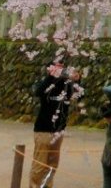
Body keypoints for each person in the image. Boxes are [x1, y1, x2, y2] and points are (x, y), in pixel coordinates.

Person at [31, 60, 83, 188]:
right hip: (43, 131)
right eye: (57, 67)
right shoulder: (46, 83)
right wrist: (51, 77)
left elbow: (79, 95)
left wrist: (77, 80)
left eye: (62, 68)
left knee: (52, 166)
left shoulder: (66, 85)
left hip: (58, 132)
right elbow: (39, 92)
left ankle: (47, 186)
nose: (61, 70)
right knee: (39, 165)